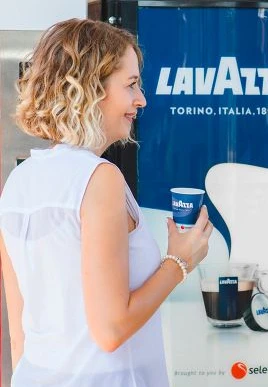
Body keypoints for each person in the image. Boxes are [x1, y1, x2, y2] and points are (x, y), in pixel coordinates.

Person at [0, 18, 213, 386]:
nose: (141, 100)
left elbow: (20, 337)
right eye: (130, 85)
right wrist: (180, 261)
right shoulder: (99, 178)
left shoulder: (18, 182)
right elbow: (111, 329)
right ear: (90, 89)